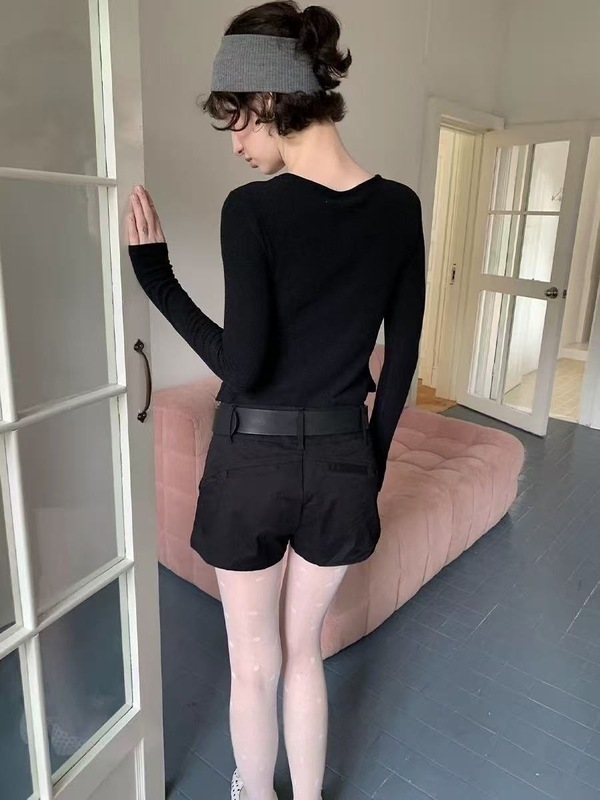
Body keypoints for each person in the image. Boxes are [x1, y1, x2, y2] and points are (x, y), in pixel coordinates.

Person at [127, 2, 426, 798]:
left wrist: (157, 278)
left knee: (253, 665)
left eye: (234, 118)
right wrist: (369, 463)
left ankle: (255, 793)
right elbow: (401, 361)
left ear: (266, 98)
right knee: (304, 655)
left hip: (251, 465)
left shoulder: (252, 210)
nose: (234, 142)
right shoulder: (400, 209)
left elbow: (244, 366)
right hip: (342, 463)